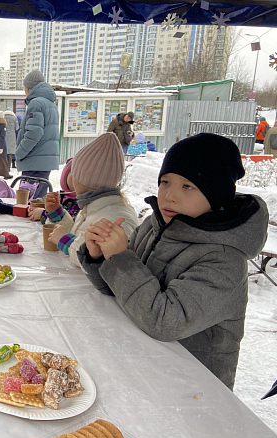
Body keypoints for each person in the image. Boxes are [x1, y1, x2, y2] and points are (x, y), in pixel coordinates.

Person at [78, 133, 269, 390]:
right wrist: (100, 256)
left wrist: (120, 259)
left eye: (187, 186)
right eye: (165, 182)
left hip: (194, 388)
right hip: (144, 368)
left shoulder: (225, 260)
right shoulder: (153, 226)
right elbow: (121, 291)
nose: (169, 196)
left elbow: (165, 322)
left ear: (216, 195)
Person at [46, 133, 138, 267]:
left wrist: (66, 242)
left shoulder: (115, 219)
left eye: (74, 173)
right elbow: (79, 234)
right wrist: (58, 215)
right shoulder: (96, 206)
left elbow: (99, 259)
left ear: (83, 180)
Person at [15, 70, 60, 199]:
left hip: (34, 160)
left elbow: (34, 133)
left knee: (28, 202)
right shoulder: (50, 103)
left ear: (28, 88)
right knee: (38, 201)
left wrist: (19, 153)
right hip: (43, 161)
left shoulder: (36, 103)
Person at [28, 157, 79, 223]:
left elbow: (72, 223)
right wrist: (36, 204)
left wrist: (43, 214)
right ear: (65, 177)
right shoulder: (60, 195)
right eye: (75, 172)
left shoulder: (82, 203)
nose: (79, 177)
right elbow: (45, 201)